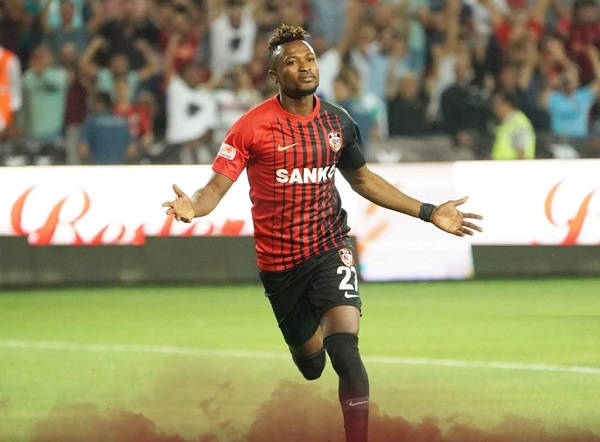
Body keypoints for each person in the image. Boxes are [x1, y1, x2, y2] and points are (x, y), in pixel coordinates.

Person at [162, 24, 483, 442]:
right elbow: (214, 189)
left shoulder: (338, 122)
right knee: (312, 366)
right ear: (274, 76)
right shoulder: (250, 128)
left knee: (346, 352)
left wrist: (428, 211)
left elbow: (363, 180)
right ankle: (309, 334)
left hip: (330, 247)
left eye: (309, 59)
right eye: (292, 62)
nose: (305, 67)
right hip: (280, 266)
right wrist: (193, 207)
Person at [490, 90, 536, 160]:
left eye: (496, 104)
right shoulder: (506, 123)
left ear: (506, 105)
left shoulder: (519, 123)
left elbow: (521, 153)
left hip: (512, 166)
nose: (494, 108)